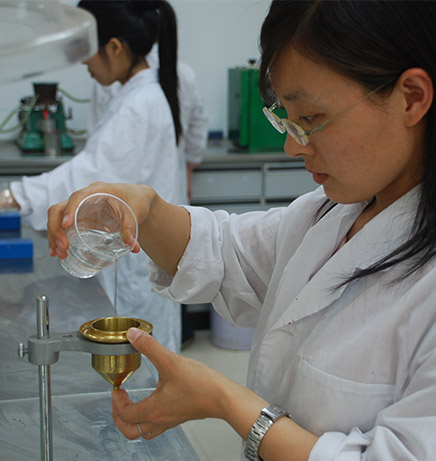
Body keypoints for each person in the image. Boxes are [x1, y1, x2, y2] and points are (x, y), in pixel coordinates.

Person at [46, 1, 436, 459]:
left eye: (311, 119)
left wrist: (225, 401)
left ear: (411, 97)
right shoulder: (329, 214)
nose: (292, 146)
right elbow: (227, 252)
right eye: (286, 118)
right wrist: (145, 210)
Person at [0, 0, 188, 353]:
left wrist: (14, 196)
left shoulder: (139, 105)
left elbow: (87, 179)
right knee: (146, 357)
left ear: (114, 47)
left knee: (140, 363)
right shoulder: (139, 95)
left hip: (136, 266)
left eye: (87, 51)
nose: (84, 63)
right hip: (136, 258)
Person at [86, 43, 208, 202]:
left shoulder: (110, 78)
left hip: (123, 195)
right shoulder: (183, 73)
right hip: (170, 187)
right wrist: (188, 170)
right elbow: (197, 127)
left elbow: (95, 142)